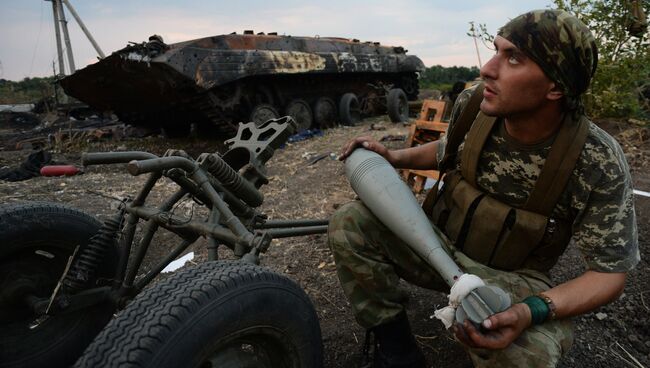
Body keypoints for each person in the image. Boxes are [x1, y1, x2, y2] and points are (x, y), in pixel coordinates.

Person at [329, 9, 639, 368]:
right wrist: (395, 155)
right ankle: (398, 352)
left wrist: (530, 311)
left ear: (556, 86)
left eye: (514, 58)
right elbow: (448, 151)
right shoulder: (476, 103)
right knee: (350, 222)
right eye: (497, 50)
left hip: (512, 281)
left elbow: (609, 274)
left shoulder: (595, 159)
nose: (488, 68)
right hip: (436, 248)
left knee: (528, 358)